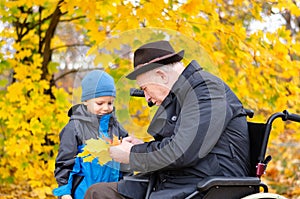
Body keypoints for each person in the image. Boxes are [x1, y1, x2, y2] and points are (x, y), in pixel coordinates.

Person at [84, 40, 251, 199]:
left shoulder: (206, 90)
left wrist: (132, 155)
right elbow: (174, 144)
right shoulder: (183, 94)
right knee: (98, 193)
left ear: (161, 75)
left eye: (146, 89)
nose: (148, 98)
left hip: (208, 185)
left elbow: (182, 151)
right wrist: (140, 147)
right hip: (176, 179)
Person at [53, 70, 128, 199]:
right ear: (86, 101)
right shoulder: (74, 128)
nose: (106, 108)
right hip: (82, 194)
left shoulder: (116, 128)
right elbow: (65, 163)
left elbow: (126, 162)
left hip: (112, 194)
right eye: (100, 103)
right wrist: (64, 193)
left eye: (110, 103)